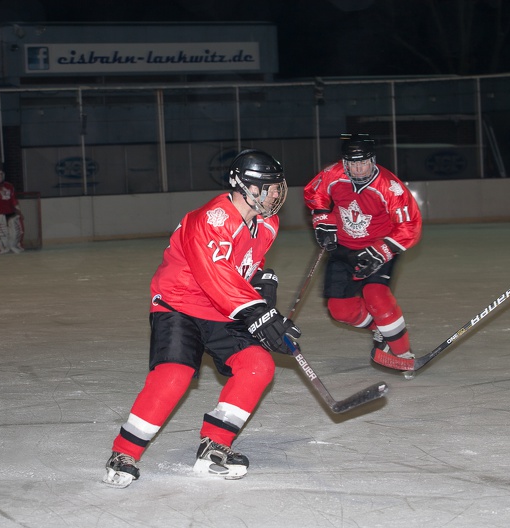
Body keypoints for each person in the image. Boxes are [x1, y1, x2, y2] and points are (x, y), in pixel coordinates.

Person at [102, 149, 301, 488]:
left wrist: (261, 289)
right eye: (269, 187)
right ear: (246, 187)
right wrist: (256, 312)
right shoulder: (211, 219)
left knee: (258, 365)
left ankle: (214, 446)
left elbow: (242, 268)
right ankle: (124, 453)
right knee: (174, 374)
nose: (276, 194)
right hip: (179, 305)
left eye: (276, 187)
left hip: (223, 309)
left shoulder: (268, 222)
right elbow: (215, 275)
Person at [303, 133, 422, 367]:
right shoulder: (333, 175)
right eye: (352, 163)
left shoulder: (390, 188)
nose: (358, 169)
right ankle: (382, 329)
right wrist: (322, 219)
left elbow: (409, 225)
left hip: (375, 249)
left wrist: (382, 251)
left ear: (373, 160)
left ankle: (403, 353)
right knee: (340, 310)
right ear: (344, 162)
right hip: (342, 249)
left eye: (363, 162)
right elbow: (315, 193)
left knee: (375, 295)